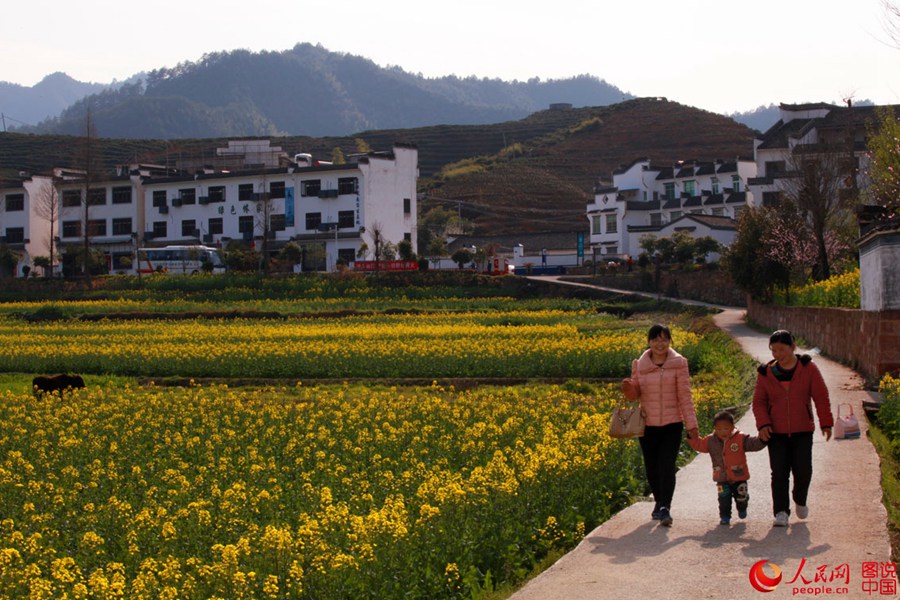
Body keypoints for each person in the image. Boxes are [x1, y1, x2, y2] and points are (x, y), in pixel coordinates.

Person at [753, 330, 834, 527]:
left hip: (802, 430)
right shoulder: (766, 373)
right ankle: (781, 511)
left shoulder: (808, 369)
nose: (778, 354)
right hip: (776, 432)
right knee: (779, 472)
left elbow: (821, 396)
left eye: (782, 349)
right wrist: (763, 424)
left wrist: (826, 422)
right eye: (774, 350)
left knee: (803, 469)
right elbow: (759, 403)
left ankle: (800, 499)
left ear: (793, 347)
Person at [622, 324, 699, 526]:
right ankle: (658, 501)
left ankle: (665, 506)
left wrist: (692, 424)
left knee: (667, 465)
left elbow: (685, 394)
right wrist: (629, 389)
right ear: (649, 342)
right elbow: (635, 395)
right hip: (647, 425)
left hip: (672, 424)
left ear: (670, 342)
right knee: (652, 466)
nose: (660, 343)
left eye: (664, 339)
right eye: (656, 339)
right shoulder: (640, 364)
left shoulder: (679, 363)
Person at [687, 410, 766, 525]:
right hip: (721, 477)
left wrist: (763, 439)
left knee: (741, 497)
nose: (722, 431)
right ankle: (725, 516)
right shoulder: (711, 440)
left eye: (725, 428)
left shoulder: (740, 438)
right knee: (723, 498)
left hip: (739, 475)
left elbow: (753, 444)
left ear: (732, 427)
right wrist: (691, 437)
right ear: (714, 428)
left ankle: (742, 507)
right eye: (719, 429)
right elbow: (699, 445)